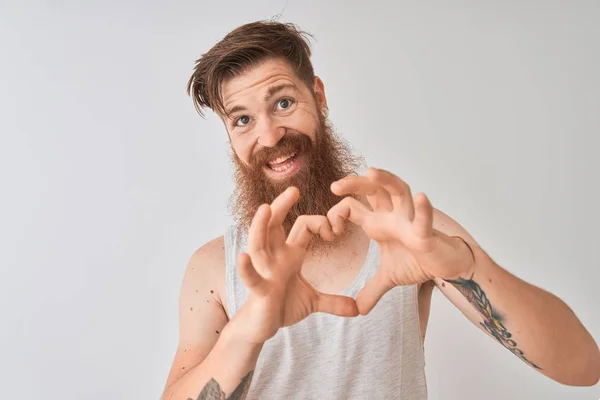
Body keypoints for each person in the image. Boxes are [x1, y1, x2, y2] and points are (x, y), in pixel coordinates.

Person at [161, 20, 600, 400]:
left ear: (319, 96)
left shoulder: (406, 231)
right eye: (242, 120)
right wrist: (250, 327)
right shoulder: (212, 269)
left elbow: (583, 367)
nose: (271, 135)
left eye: (283, 103)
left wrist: (466, 265)